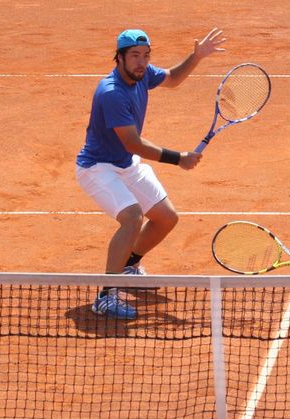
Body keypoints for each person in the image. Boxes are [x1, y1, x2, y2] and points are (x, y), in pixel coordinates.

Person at [76, 28, 226, 320]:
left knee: (166, 218)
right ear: (118, 58)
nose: (141, 62)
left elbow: (172, 78)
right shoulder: (111, 93)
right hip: (98, 167)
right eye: (134, 56)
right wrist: (178, 159)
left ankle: (129, 267)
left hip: (125, 164)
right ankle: (106, 295)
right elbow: (133, 143)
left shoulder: (142, 75)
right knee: (133, 218)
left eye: (145, 56)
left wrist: (195, 57)